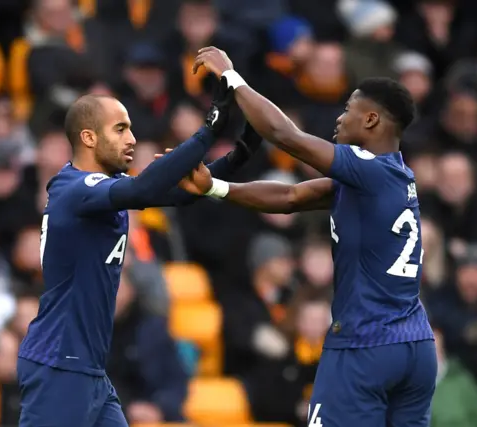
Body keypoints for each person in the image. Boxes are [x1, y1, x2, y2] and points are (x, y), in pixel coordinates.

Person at [178, 47, 437, 427]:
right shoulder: (391, 177)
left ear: (371, 119)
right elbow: (290, 196)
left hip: (366, 345)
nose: (339, 116)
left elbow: (286, 135)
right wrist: (214, 187)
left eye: (348, 109)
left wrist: (232, 79)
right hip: (415, 346)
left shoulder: (368, 169)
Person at [16, 80, 259, 427]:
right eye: (120, 129)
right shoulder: (74, 188)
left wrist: (240, 154)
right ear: (89, 138)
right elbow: (147, 186)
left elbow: (181, 193)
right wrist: (210, 128)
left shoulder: (103, 193)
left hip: (88, 367)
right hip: (60, 362)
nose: (131, 139)